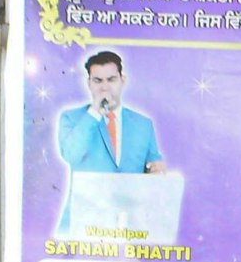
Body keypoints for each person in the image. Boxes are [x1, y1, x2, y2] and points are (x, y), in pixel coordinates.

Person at [56, 45, 168, 180]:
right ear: (89, 83)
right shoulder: (71, 118)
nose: (104, 87)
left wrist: (155, 172)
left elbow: (153, 168)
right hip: (86, 201)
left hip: (130, 201)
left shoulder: (143, 124)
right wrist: (95, 112)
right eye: (98, 81)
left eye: (111, 80)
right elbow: (71, 155)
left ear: (122, 80)